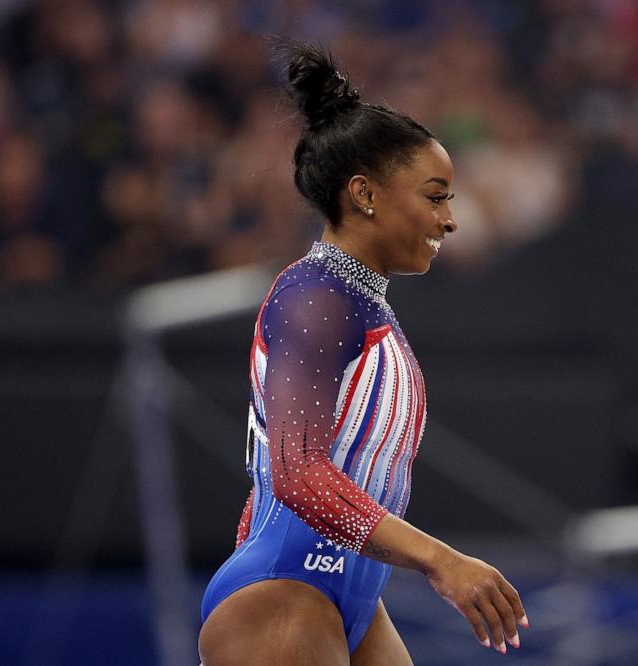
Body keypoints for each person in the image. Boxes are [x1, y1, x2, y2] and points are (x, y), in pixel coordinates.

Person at [198, 43, 527, 665]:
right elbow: (296, 475)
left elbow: (278, 472)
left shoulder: (362, 305)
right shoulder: (314, 296)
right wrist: (441, 560)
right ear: (364, 194)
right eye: (435, 196)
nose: (450, 219)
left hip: (345, 595)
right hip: (286, 592)